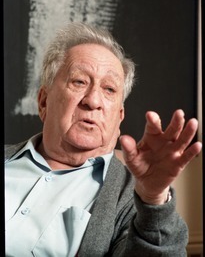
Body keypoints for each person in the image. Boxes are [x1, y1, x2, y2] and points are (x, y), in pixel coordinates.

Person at [5, 22, 202, 257]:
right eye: (79, 82)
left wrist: (152, 197)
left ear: (119, 117)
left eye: (109, 89)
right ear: (43, 101)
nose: (93, 101)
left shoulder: (134, 201)